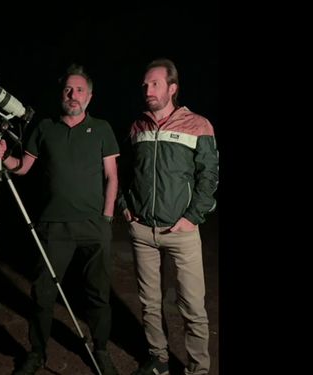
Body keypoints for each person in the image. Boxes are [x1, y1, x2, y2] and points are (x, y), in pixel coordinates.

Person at [0, 64, 120, 375]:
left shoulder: (102, 128)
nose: (72, 95)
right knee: (43, 292)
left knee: (98, 292)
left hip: (93, 226)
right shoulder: (44, 128)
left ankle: (100, 349)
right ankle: (37, 353)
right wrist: (2, 155)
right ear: (61, 94)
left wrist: (106, 218)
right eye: (68, 90)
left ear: (90, 96)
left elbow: (112, 177)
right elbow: (22, 167)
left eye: (79, 90)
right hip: (52, 226)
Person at [118, 58, 218, 375]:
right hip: (143, 231)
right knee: (149, 302)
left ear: (172, 88)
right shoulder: (137, 127)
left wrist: (193, 216)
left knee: (192, 307)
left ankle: (198, 369)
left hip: (182, 231)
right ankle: (158, 359)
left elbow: (209, 177)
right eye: (145, 84)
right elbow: (121, 172)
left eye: (155, 84)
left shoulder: (199, 125)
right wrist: (125, 206)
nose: (148, 89)